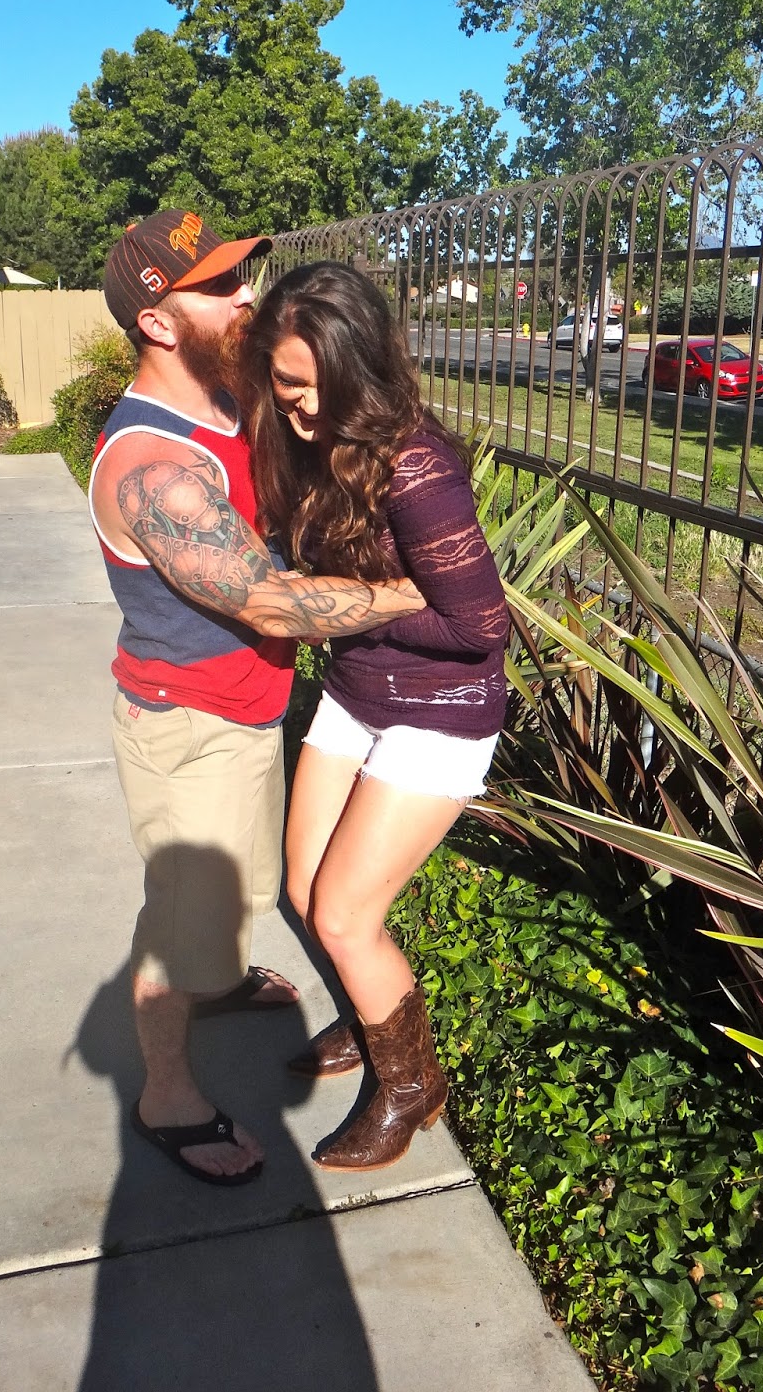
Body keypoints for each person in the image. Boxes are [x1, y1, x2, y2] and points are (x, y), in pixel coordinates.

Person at [90, 212, 426, 1188]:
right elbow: (271, 601)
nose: (247, 297)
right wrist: (422, 591)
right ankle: (167, 1096)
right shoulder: (152, 468)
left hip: (248, 707)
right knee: (181, 926)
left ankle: (226, 977)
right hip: (188, 728)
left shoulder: (229, 399)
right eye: (219, 288)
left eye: (242, 276)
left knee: (242, 888)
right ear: (158, 322)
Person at [237, 260, 509, 1172]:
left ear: (363, 372)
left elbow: (479, 626)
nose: (301, 407)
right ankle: (370, 1018)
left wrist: (358, 604)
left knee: (348, 916)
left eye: (318, 387)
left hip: (441, 710)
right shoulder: (304, 444)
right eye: (286, 383)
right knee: (306, 889)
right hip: (357, 694)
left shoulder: (416, 467)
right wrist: (367, 600)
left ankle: (410, 1086)